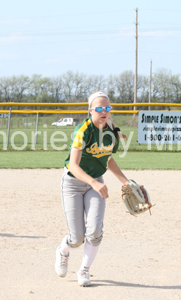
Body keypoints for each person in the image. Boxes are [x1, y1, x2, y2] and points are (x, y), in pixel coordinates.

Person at [55, 91, 129, 287]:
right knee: (77, 238)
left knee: (95, 231)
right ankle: (63, 249)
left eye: (107, 108)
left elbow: (108, 159)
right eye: (99, 108)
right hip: (73, 183)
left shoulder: (112, 132)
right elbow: (73, 165)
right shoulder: (82, 131)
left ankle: (84, 270)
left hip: (95, 182)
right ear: (90, 110)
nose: (104, 112)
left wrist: (125, 181)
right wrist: (94, 183)